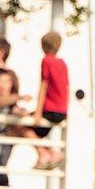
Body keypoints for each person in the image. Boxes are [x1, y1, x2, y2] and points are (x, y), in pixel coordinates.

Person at [33, 30, 69, 166]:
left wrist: (37, 112)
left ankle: (47, 154)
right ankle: (49, 153)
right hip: (61, 110)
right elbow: (66, 87)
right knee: (37, 133)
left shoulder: (46, 61)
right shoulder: (62, 63)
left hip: (50, 109)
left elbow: (44, 85)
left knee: (23, 129)